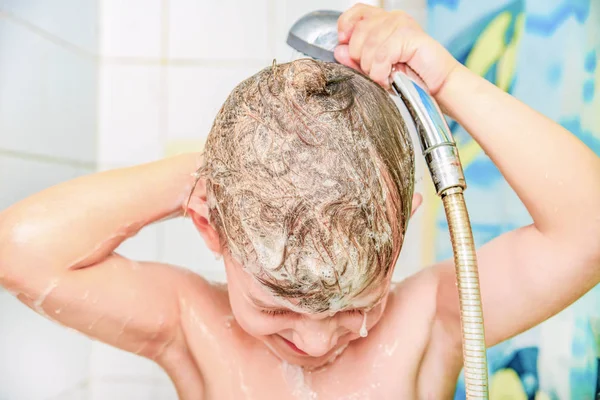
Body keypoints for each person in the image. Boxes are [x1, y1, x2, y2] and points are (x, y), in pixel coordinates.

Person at [1, 4, 599, 399]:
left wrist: (445, 82)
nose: (317, 342)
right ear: (210, 226)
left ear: (402, 226)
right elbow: (19, 250)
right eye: (276, 307)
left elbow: (589, 229)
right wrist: (227, 176)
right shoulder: (191, 325)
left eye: (354, 305)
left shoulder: (430, 322)